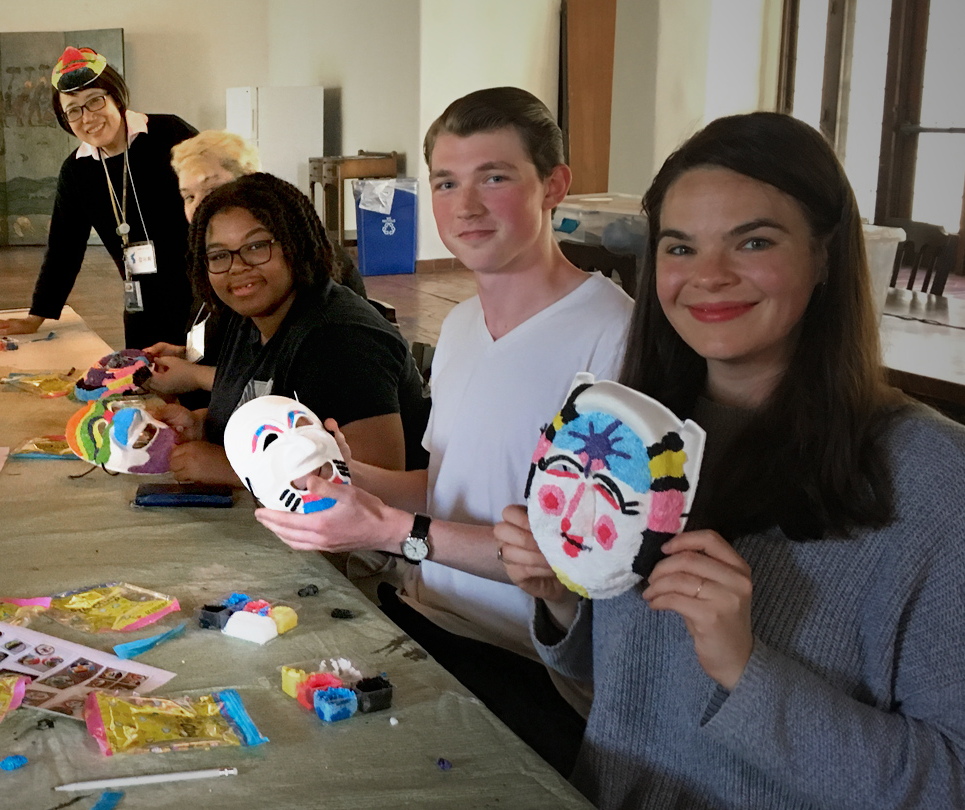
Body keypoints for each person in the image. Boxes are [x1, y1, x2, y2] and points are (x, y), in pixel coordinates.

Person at [495, 112, 965, 809]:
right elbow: (623, 692)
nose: (708, 277)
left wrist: (746, 670)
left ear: (826, 255)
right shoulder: (630, 440)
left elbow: (947, 780)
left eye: (752, 241)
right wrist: (563, 599)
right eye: (680, 248)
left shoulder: (931, 477)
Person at [252, 87, 635, 774]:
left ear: (554, 187)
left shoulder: (614, 341)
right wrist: (346, 476)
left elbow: (577, 564)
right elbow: (448, 483)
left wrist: (385, 531)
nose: (466, 206)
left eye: (495, 177)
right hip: (422, 619)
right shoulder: (460, 327)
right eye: (447, 183)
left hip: (529, 668)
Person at [155, 172, 429, 485]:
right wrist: (197, 425)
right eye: (219, 255)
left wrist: (231, 471)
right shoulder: (247, 317)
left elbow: (376, 483)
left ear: (293, 245)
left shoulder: (341, 339)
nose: (237, 266)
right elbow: (263, 410)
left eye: (256, 247)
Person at [0, 47, 197, 349]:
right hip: (141, 304)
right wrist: (36, 316)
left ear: (116, 98)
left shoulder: (169, 133)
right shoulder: (77, 170)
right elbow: (63, 248)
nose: (88, 118)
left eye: (95, 101)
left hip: (202, 296)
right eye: (73, 110)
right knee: (147, 384)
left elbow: (222, 195)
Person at [146, 131, 371, 397]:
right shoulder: (213, 258)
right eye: (189, 197)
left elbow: (291, 374)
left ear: (250, 184)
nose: (199, 207)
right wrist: (187, 355)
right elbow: (242, 348)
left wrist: (197, 376)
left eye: (212, 190)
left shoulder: (304, 260)